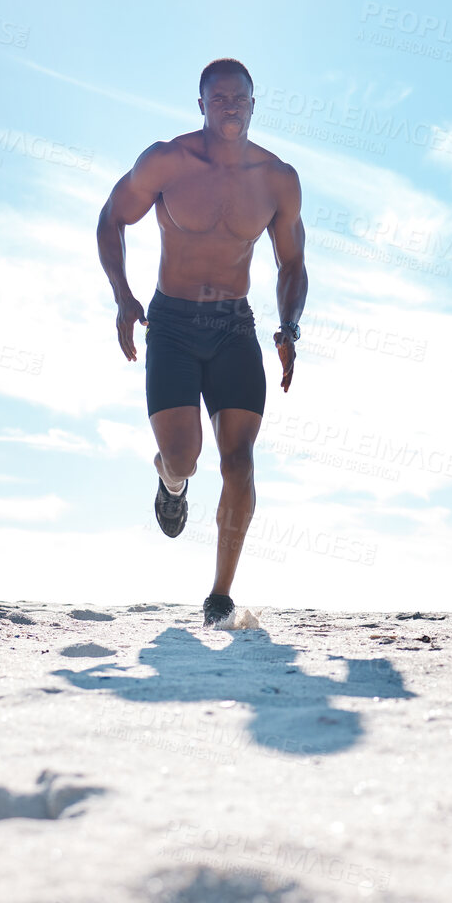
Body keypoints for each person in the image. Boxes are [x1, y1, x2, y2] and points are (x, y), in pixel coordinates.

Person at [96, 57, 308, 628]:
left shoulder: (277, 179)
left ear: (255, 103)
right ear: (201, 105)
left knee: (239, 462)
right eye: (219, 98)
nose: (230, 106)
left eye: (240, 98)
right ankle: (170, 479)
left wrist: (289, 326)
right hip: (172, 326)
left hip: (234, 327)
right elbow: (111, 218)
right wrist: (123, 295)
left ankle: (219, 595)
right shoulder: (169, 160)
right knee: (186, 455)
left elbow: (292, 263)